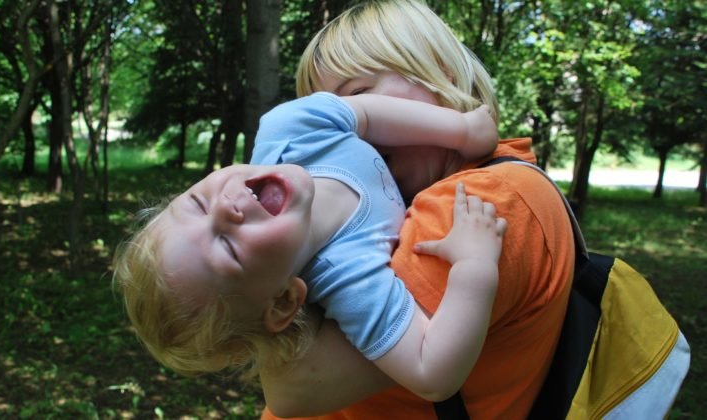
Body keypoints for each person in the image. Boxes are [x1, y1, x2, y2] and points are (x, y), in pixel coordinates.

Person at [258, 1, 576, 418]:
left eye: (358, 95)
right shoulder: (422, 199)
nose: (350, 134)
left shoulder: (479, 204)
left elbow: (293, 386)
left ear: (439, 74)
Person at [112, 88, 507, 402]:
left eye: (196, 203)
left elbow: (365, 113)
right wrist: (475, 267)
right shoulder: (348, 277)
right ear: (284, 301)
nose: (223, 209)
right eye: (228, 249)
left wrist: (462, 130)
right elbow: (431, 373)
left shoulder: (288, 130)